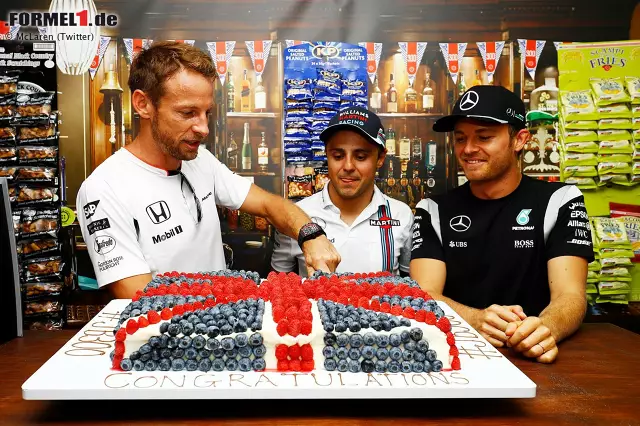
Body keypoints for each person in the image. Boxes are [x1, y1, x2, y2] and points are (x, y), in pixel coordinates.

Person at [76, 41, 340, 298]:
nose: (203, 128)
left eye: (207, 113)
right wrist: (230, 295)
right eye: (188, 112)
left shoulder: (200, 160)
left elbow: (270, 204)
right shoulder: (103, 189)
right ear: (143, 104)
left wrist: (310, 233)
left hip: (223, 329)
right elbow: (137, 293)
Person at [410, 85, 593, 364]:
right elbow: (425, 294)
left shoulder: (561, 200)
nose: (468, 149)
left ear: (519, 140)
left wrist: (546, 328)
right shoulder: (432, 209)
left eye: (484, 137)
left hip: (536, 354)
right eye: (460, 139)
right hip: (457, 355)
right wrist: (474, 318)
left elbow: (571, 294)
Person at [271, 107, 413, 277]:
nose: (348, 166)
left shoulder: (401, 215)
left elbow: (411, 288)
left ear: (380, 158)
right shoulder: (296, 217)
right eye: (338, 156)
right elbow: (279, 288)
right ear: (327, 156)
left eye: (360, 157)